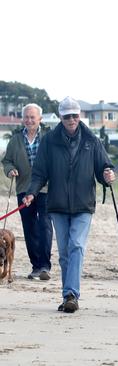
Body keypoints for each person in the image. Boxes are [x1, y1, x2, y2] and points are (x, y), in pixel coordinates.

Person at [24, 96, 116, 313]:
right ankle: (68, 294)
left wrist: (107, 175)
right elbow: (39, 173)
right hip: (57, 204)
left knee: (76, 245)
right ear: (60, 117)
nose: (72, 119)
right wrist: (31, 193)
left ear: (80, 115)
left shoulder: (92, 140)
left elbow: (103, 166)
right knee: (65, 252)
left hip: (84, 204)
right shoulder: (49, 140)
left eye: (75, 115)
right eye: (67, 116)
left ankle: (71, 294)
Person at [2, 103, 54, 281]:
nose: (29, 120)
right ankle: (36, 266)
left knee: (45, 225)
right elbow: (7, 161)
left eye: (33, 117)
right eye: (26, 117)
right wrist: (10, 170)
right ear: (22, 119)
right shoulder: (16, 139)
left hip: (46, 188)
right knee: (29, 227)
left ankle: (45, 266)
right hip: (23, 189)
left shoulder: (49, 137)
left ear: (40, 119)